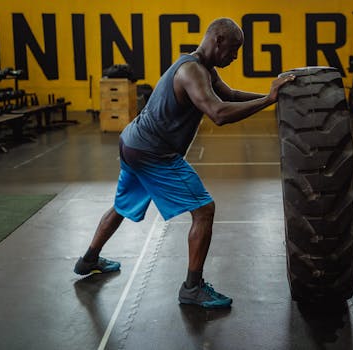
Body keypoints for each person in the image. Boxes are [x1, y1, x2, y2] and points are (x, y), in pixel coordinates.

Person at [74, 18, 295, 309]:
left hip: (132, 142)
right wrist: (268, 99)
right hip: (152, 152)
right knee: (204, 210)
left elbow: (230, 96)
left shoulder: (201, 67)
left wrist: (277, 100)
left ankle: (88, 259)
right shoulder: (192, 71)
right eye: (234, 49)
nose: (236, 56)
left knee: (121, 205)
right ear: (217, 40)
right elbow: (218, 112)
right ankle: (192, 288)